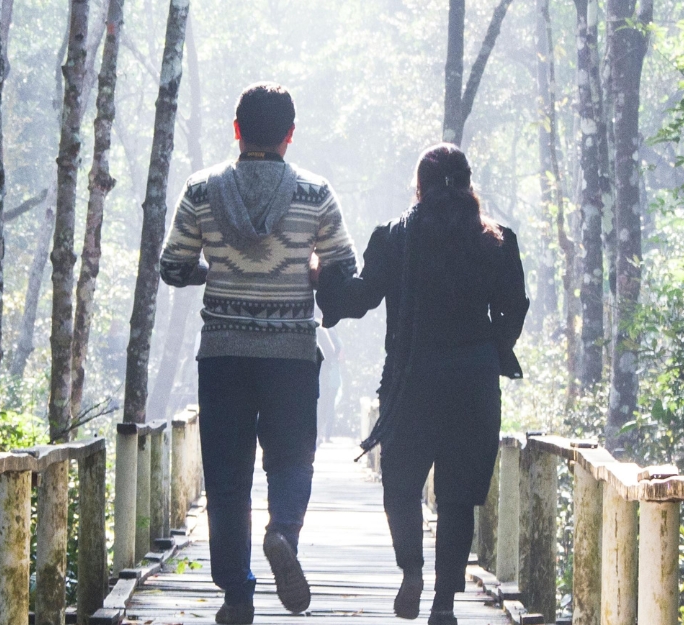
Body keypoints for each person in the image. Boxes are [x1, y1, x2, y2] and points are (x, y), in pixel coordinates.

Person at [158, 82, 356, 624]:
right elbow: (343, 266)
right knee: (292, 460)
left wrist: (215, 269)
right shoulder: (316, 194)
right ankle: (282, 532)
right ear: (290, 135)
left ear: (237, 129)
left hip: (222, 355)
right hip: (292, 353)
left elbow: (173, 268)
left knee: (227, 476)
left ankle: (237, 595)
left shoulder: (201, 191)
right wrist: (308, 270)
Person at [319, 143, 529, 625]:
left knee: (401, 485)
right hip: (473, 383)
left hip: (412, 381)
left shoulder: (395, 238)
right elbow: (514, 309)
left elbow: (357, 299)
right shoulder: (496, 242)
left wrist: (323, 275)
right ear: (469, 184)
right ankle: (443, 606)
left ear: (418, 187)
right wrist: (490, 347)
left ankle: (411, 570)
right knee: (458, 497)